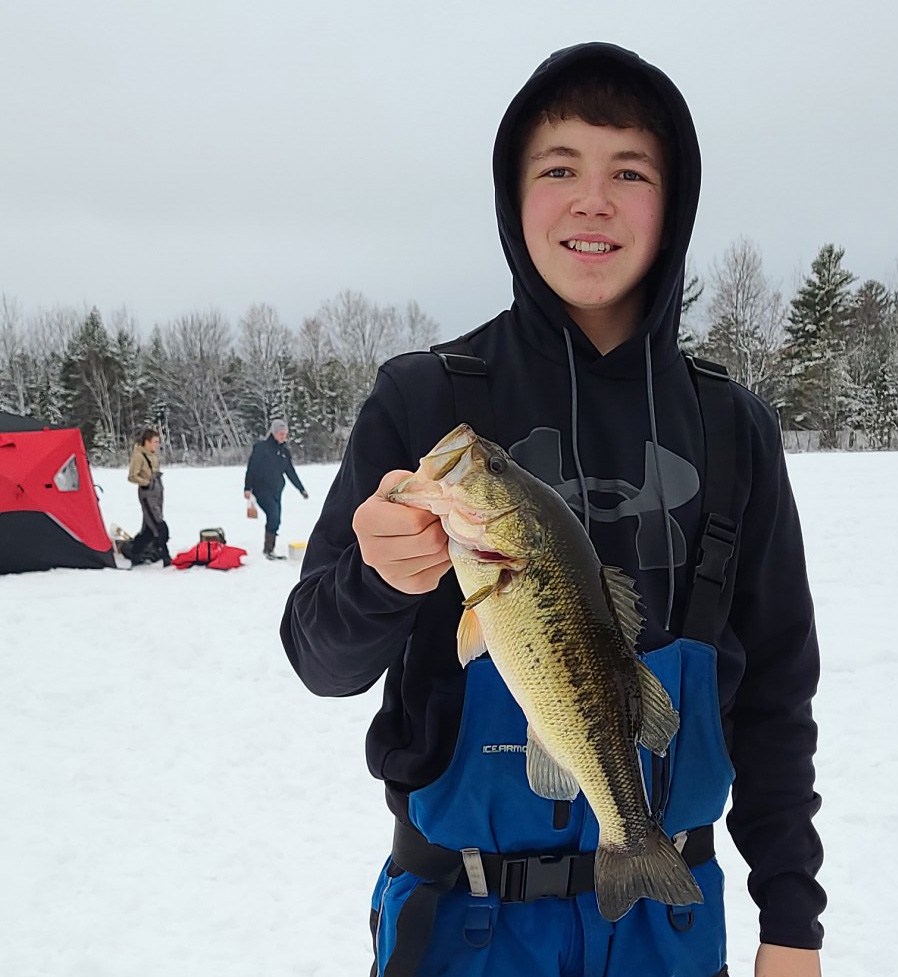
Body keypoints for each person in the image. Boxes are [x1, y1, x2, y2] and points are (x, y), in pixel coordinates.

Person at [282, 42, 825, 977]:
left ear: (674, 204)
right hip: (464, 922)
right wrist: (376, 580)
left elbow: (776, 695)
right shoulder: (423, 402)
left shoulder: (734, 428)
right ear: (513, 196)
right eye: (559, 168)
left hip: (671, 926)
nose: (593, 200)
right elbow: (319, 657)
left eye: (630, 171)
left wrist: (792, 921)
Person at [244, 419, 308, 559]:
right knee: (273, 516)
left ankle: (269, 548)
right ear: (273, 433)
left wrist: (301, 489)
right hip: (261, 489)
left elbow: (290, 472)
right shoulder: (261, 448)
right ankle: (268, 550)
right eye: (281, 434)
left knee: (276, 519)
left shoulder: (284, 451)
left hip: (277, 490)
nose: (283, 436)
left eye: (285, 434)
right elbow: (251, 469)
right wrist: (247, 488)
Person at [124, 427, 170, 566]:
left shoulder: (152, 455)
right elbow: (132, 476)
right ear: (147, 442)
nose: (157, 445)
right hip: (147, 494)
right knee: (159, 525)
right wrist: (147, 483)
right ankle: (165, 556)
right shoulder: (139, 456)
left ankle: (136, 554)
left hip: (157, 493)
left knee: (148, 530)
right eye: (155, 441)